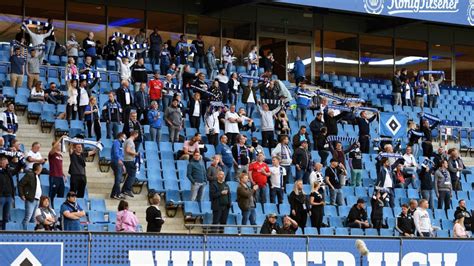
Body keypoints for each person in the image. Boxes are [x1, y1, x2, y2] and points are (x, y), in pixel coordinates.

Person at [18, 163, 43, 230]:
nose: (42, 169)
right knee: (27, 217)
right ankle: (24, 233)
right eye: (41, 167)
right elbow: (20, 184)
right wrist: (22, 195)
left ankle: (32, 233)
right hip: (30, 199)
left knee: (33, 218)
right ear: (38, 168)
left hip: (37, 199)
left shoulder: (37, 176)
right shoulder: (29, 175)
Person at [48, 137, 66, 208]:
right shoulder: (52, 154)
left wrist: (63, 174)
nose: (60, 146)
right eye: (59, 145)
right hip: (54, 176)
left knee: (61, 193)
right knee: (52, 193)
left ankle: (59, 208)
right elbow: (54, 147)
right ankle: (50, 207)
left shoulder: (60, 155)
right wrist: (61, 138)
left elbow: (60, 166)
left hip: (60, 176)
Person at [121, 130, 139, 198]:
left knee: (130, 175)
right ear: (135, 134)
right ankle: (127, 189)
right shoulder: (130, 141)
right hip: (129, 160)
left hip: (127, 160)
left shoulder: (128, 140)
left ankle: (124, 189)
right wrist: (136, 153)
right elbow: (128, 150)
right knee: (132, 175)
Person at [110, 133, 126, 200]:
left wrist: (123, 164)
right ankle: (117, 194)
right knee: (118, 179)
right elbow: (116, 152)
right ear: (121, 136)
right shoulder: (116, 142)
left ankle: (114, 194)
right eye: (124, 137)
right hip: (116, 162)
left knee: (118, 179)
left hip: (119, 162)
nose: (125, 138)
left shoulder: (120, 144)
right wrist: (119, 160)